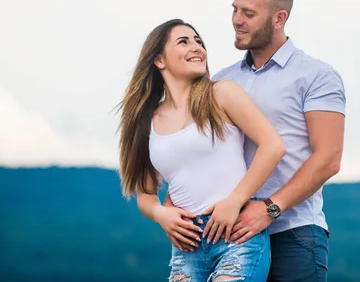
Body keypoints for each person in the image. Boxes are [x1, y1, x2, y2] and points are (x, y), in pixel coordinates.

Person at [170, 0, 346, 281]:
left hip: (292, 233)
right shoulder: (221, 81)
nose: (237, 20)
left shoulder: (317, 76)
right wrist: (168, 210)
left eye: (248, 13)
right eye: (235, 9)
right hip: (227, 236)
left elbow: (329, 159)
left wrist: (268, 209)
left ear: (279, 18)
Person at [117, 19, 286, 282]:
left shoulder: (222, 94)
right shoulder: (146, 122)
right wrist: (162, 214)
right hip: (187, 247)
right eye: (183, 42)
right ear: (159, 60)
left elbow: (273, 146)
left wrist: (235, 200)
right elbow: (146, 194)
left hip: (235, 235)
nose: (197, 47)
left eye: (198, 41)